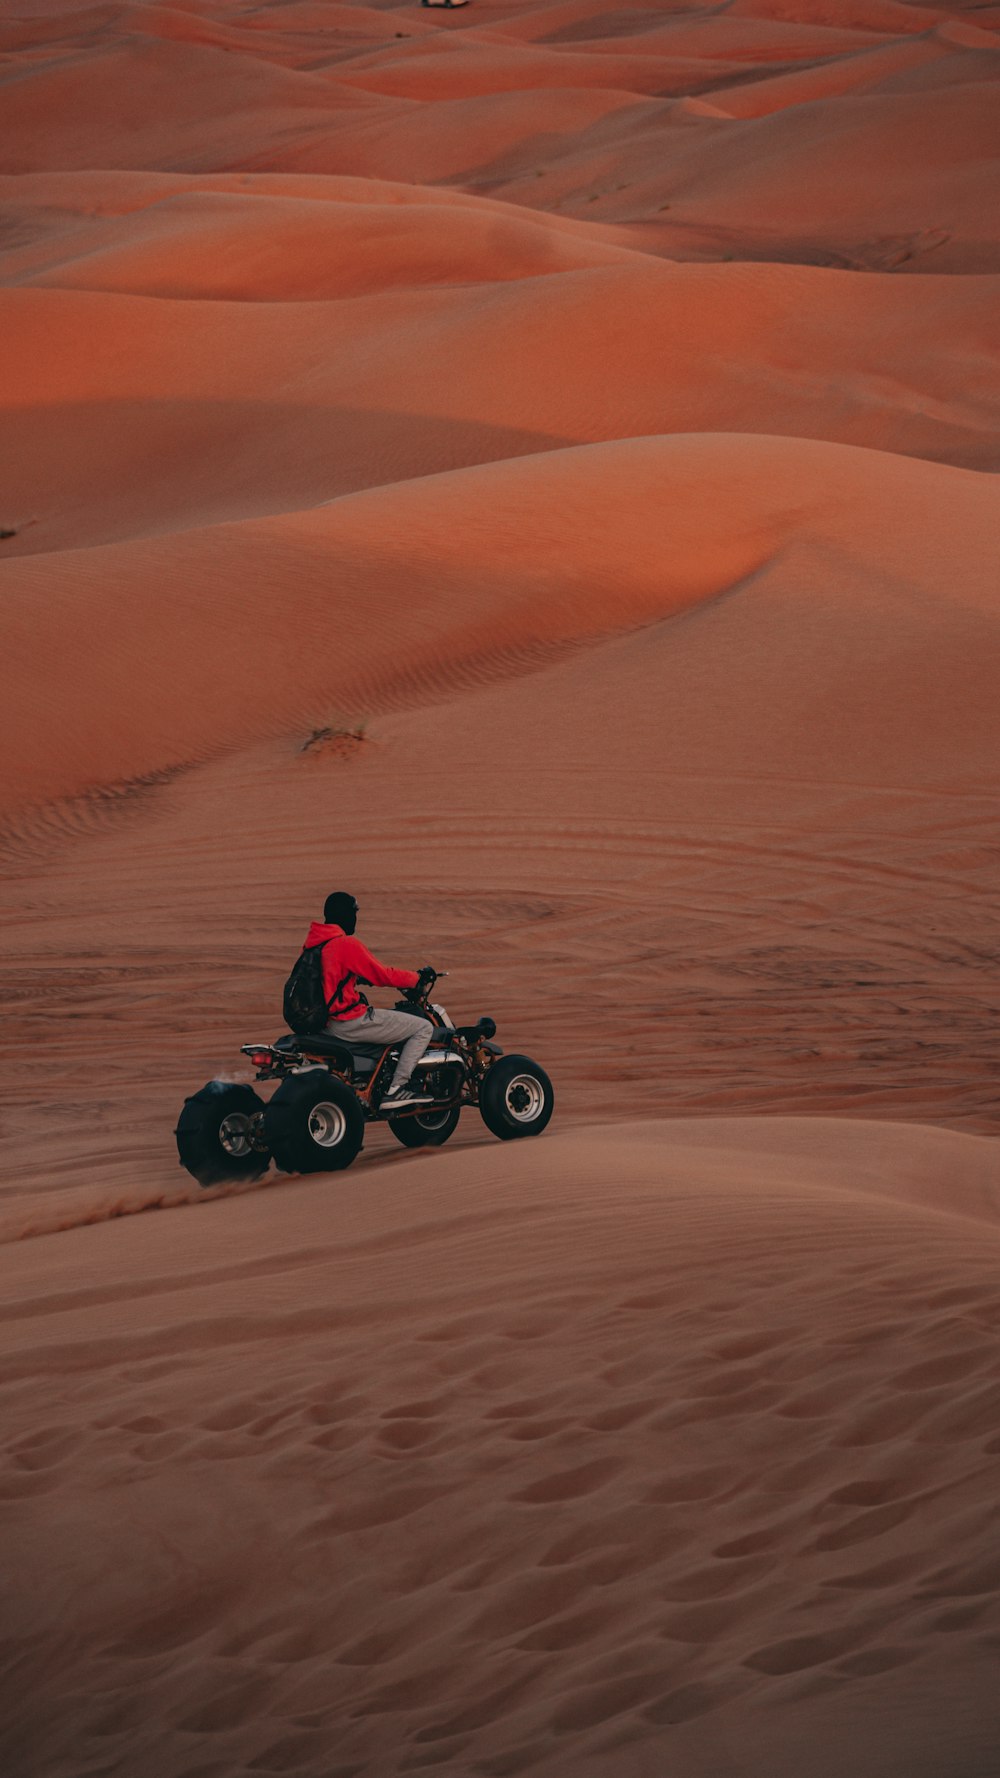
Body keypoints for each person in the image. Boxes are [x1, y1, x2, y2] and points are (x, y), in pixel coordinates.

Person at [303, 892, 435, 1107]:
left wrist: (358, 979)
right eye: (354, 913)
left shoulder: (314, 944)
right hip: (348, 1021)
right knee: (422, 1028)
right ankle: (397, 1089)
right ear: (346, 914)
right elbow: (383, 974)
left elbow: (330, 977)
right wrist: (416, 978)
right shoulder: (345, 944)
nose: (356, 918)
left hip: (325, 1023)